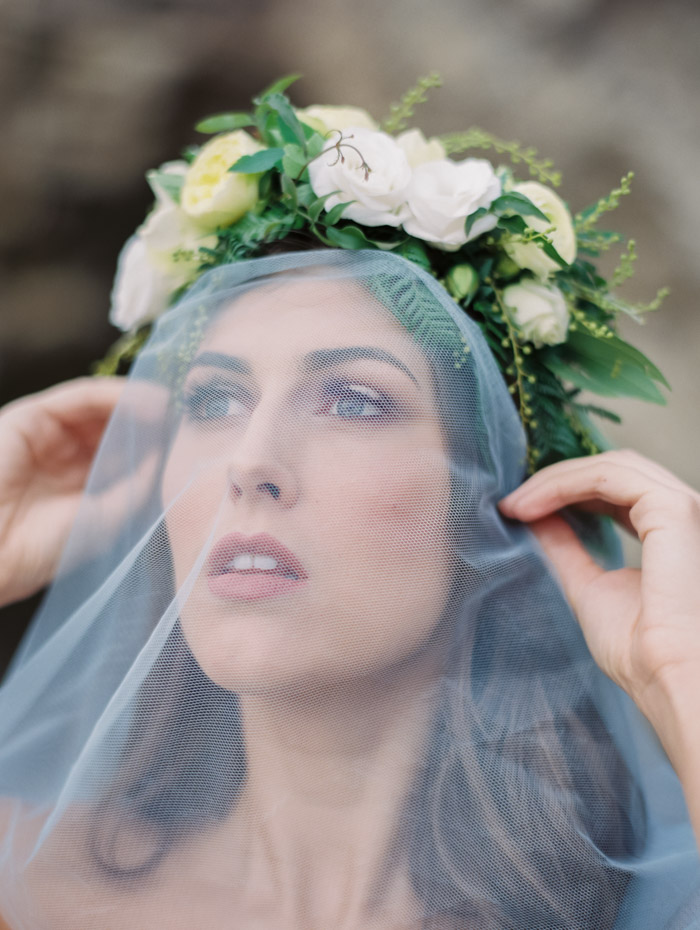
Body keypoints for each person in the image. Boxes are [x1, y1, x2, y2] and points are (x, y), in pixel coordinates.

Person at [0, 82, 699, 928]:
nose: (250, 462)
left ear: (494, 503)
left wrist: (680, 675)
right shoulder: (23, 883)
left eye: (354, 402)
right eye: (215, 401)